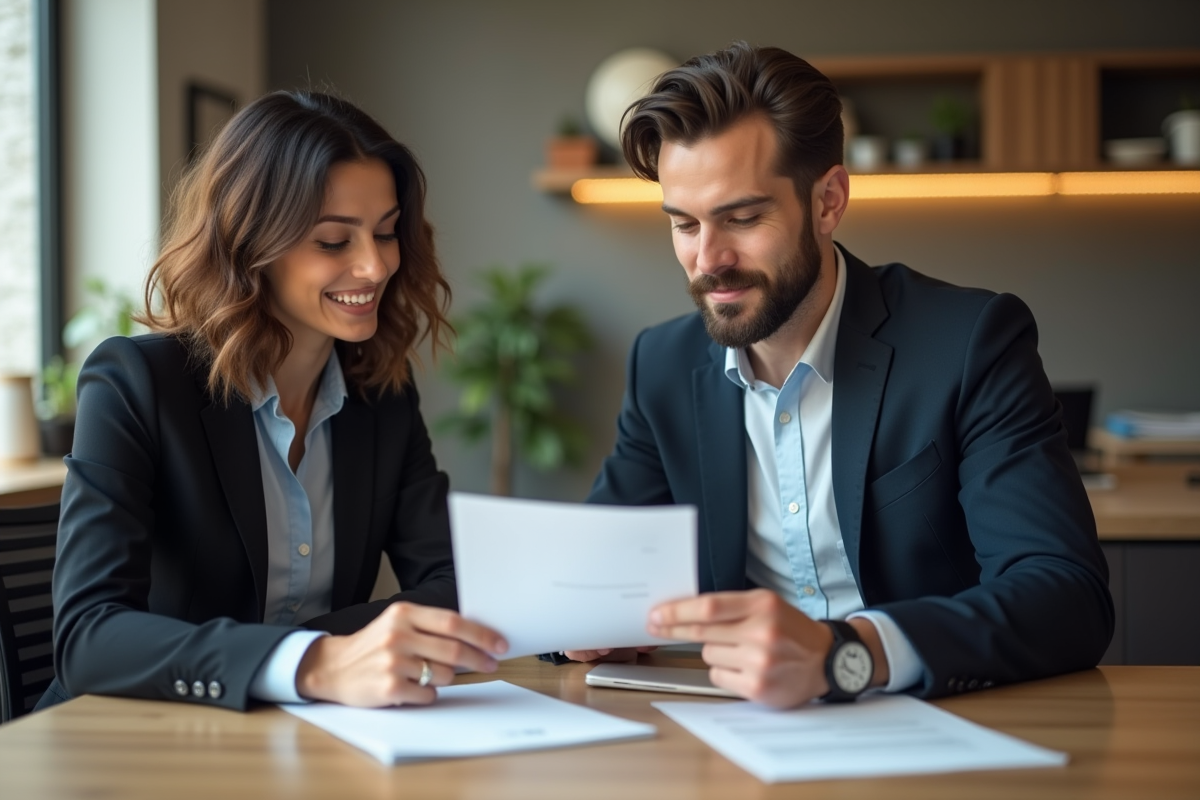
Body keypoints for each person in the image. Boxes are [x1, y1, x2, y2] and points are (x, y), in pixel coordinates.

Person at [568, 43, 1113, 707]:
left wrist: (850, 655)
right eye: (684, 224)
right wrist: (582, 621)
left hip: (941, 726)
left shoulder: (971, 343)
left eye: (742, 218)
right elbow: (591, 582)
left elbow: (1065, 595)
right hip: (735, 736)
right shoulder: (662, 364)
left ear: (828, 202)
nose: (708, 259)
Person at [38, 91, 507, 713]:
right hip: (132, 740)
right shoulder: (136, 384)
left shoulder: (381, 396)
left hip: (305, 735)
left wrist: (310, 661)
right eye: (334, 242)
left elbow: (454, 584)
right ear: (250, 243)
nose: (374, 265)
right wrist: (312, 663)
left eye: (387, 233)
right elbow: (89, 639)